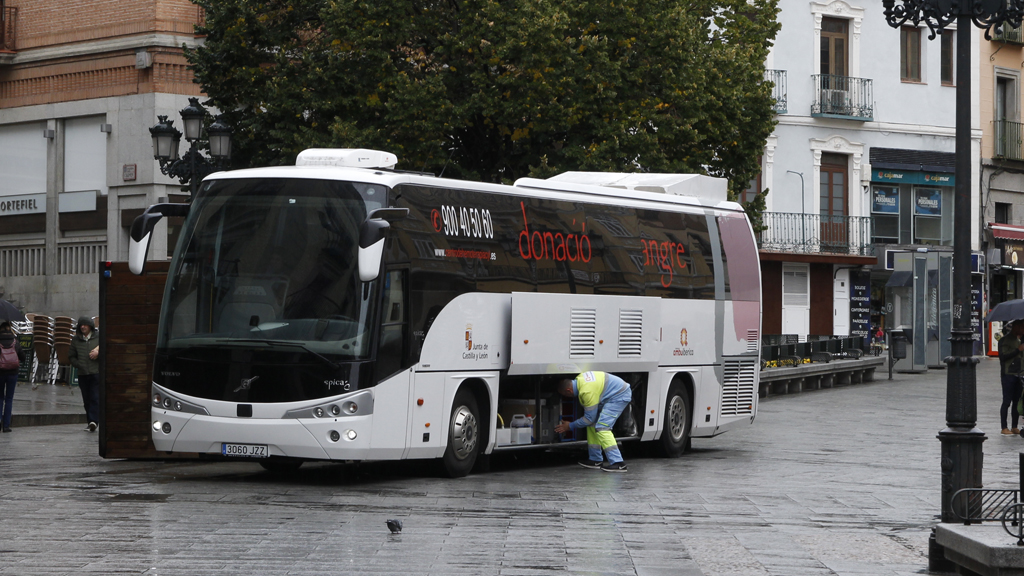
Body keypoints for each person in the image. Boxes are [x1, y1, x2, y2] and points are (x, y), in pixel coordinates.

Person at [554, 371, 632, 472]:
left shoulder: (586, 392)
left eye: (565, 395)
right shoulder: (580, 379)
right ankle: (595, 460)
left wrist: (570, 426)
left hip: (618, 396)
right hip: (612, 394)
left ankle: (618, 463)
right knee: (592, 425)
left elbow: (588, 419)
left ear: (569, 391)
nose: (567, 397)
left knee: (602, 427)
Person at [68, 316, 100, 432]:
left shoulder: (98, 338)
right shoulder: (76, 340)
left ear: (90, 326)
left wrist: (98, 353)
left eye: (85, 325)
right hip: (82, 374)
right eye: (81, 325)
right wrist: (78, 364)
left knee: (95, 397)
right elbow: (71, 356)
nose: (83, 327)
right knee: (86, 399)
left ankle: (94, 421)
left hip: (96, 372)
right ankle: (90, 422)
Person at [998, 320, 1024, 436]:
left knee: (1017, 401)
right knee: (1007, 401)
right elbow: (1003, 357)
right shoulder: (1005, 340)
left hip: (1018, 374)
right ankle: (1004, 427)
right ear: (1016, 327)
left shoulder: (1018, 340)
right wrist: (1018, 350)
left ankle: (1014, 426)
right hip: (1008, 374)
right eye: (1022, 327)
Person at [0, 321, 25, 433]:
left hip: (0, 372)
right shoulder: (15, 341)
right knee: (9, 399)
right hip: (13, 373)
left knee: (0, 398)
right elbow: (23, 357)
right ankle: (6, 425)